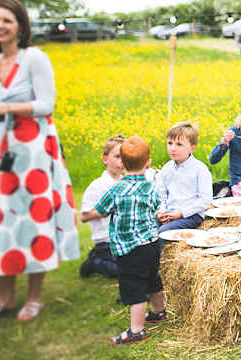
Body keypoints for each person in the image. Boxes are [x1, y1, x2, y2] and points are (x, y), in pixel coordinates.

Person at [0, 0, 79, 324]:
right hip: (2, 147)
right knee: (2, 217)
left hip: (32, 148)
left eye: (7, 20)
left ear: (20, 26)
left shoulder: (34, 57)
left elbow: (46, 104)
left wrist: (5, 109)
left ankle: (34, 298)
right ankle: (6, 297)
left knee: (32, 220)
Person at [87, 136, 166, 345]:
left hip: (129, 248)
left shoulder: (116, 189)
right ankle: (158, 311)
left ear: (122, 163)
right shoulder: (151, 187)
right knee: (152, 277)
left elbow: (102, 211)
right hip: (151, 243)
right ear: (148, 163)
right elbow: (157, 206)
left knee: (134, 287)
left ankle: (136, 330)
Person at [79, 134, 126, 279]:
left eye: (125, 157)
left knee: (135, 266)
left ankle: (101, 257)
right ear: (105, 160)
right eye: (117, 157)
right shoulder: (98, 185)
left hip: (124, 239)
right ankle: (96, 262)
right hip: (106, 241)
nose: (122, 161)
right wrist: (102, 212)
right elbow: (84, 216)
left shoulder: (127, 183)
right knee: (121, 272)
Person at [156, 121, 213, 233]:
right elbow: (161, 194)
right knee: (148, 228)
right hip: (169, 212)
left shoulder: (200, 169)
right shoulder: (166, 169)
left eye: (179, 144)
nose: (172, 148)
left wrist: (181, 213)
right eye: (170, 143)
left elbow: (205, 200)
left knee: (163, 232)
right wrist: (161, 212)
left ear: (192, 148)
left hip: (191, 215)